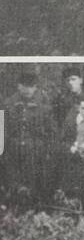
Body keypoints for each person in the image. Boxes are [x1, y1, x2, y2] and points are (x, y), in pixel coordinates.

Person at [1, 70, 55, 209]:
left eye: (31, 86)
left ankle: (34, 213)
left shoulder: (44, 106)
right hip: (13, 151)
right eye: (24, 86)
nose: (27, 89)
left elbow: (52, 133)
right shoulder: (7, 105)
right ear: (18, 86)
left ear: (36, 87)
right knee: (13, 184)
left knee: (35, 185)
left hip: (36, 152)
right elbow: (2, 131)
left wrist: (47, 151)